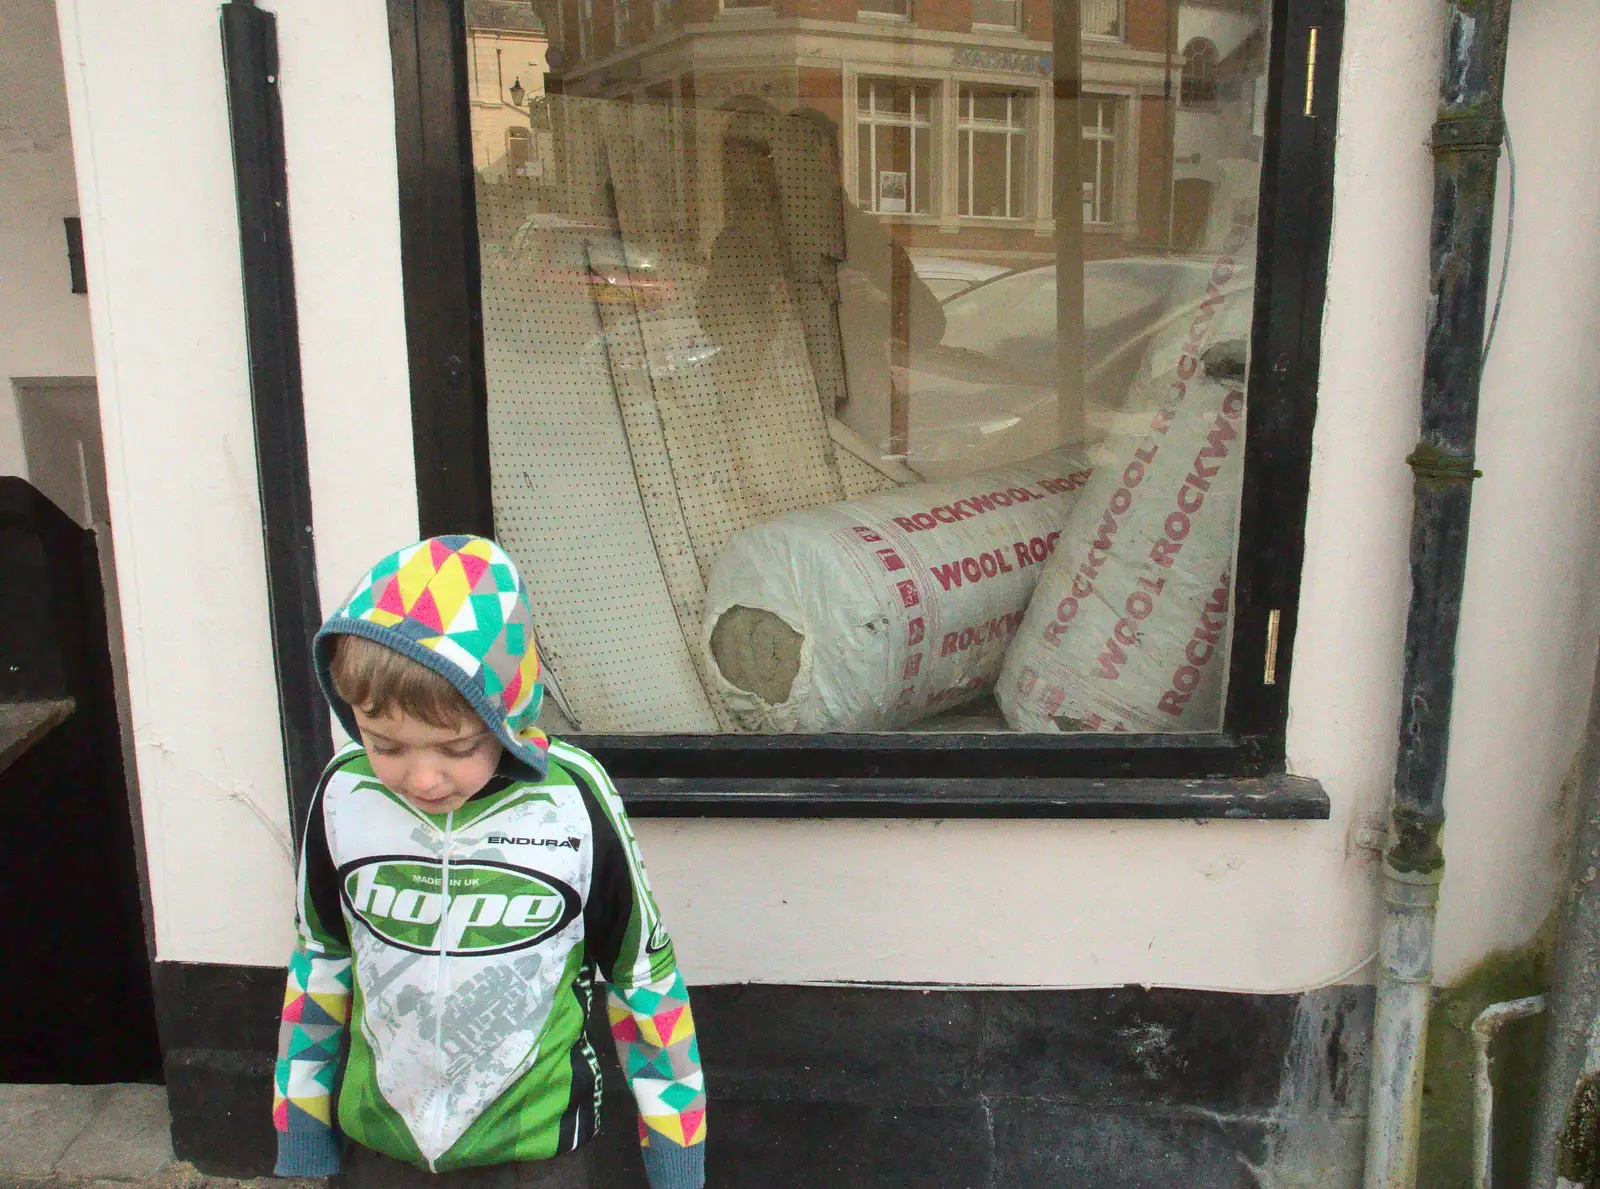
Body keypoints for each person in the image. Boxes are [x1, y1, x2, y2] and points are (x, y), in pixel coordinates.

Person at [271, 535, 706, 1189]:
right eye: (385, 742)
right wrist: (302, 1125)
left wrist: (676, 1160)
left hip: (534, 1153)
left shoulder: (573, 799)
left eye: (456, 746)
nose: (423, 778)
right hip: (380, 1147)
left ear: (507, 712)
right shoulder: (342, 794)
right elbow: (320, 960)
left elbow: (644, 977)